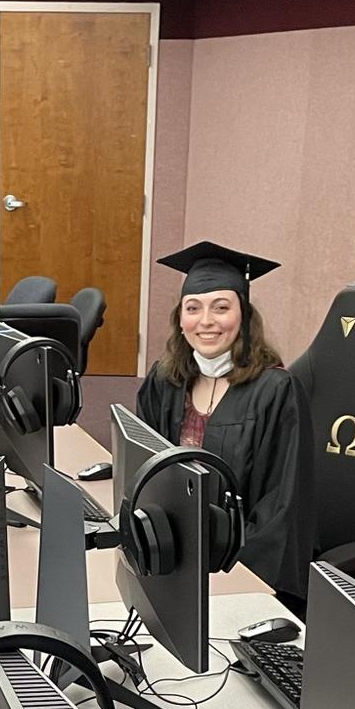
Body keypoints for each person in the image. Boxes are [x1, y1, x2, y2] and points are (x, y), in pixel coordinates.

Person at [137, 241, 314, 605]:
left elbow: (281, 506)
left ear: (244, 317)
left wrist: (230, 572)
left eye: (221, 308)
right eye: (193, 308)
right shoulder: (164, 380)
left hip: (236, 568)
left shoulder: (276, 391)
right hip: (171, 551)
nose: (206, 321)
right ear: (180, 320)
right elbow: (143, 464)